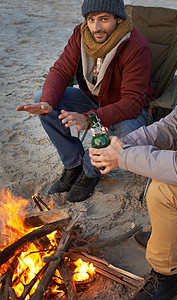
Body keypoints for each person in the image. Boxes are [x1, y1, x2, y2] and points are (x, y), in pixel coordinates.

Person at [89, 8, 177, 300]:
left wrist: (123, 158)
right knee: (171, 147)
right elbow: (171, 126)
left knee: (162, 192)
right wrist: (122, 145)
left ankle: (164, 277)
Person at [16, 0, 155, 203]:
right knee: (43, 101)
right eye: (91, 19)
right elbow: (62, 70)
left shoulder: (135, 45)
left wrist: (90, 119)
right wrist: (47, 102)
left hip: (127, 106)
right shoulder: (81, 35)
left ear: (118, 19)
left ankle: (89, 173)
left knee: (126, 131)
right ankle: (73, 165)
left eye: (104, 19)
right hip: (92, 97)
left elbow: (133, 102)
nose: (96, 27)